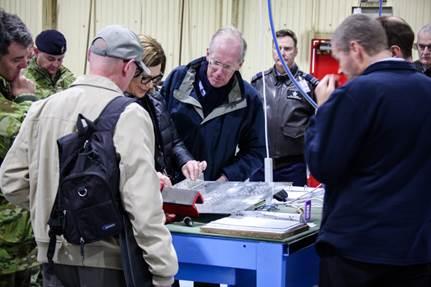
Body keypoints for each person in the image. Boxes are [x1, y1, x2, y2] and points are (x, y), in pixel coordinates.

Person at [0, 25, 178, 287]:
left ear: (88, 56)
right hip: (106, 262)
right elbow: (143, 204)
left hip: (51, 257)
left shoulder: (41, 108)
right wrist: (164, 269)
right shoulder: (129, 115)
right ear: (129, 67)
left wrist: (58, 209)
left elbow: (11, 181)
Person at [305, 14, 431, 287]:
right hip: (417, 252)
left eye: (341, 59)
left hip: (358, 254)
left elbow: (323, 165)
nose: (341, 69)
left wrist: (324, 110)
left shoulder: (355, 95)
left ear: (356, 49)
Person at [161, 26, 265, 183]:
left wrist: (227, 177)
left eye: (227, 67)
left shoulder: (248, 99)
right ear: (207, 53)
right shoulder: (178, 79)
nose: (218, 72)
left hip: (215, 189)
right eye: (216, 63)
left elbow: (256, 151)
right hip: (170, 184)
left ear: (240, 64)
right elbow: (158, 129)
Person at [125, 34, 206, 186]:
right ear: (129, 69)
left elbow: (173, 141)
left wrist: (186, 162)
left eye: (155, 79)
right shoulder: (114, 107)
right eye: (145, 78)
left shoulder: (155, 98)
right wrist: (150, 176)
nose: (150, 86)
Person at [0, 8, 40, 287]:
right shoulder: (19, 92)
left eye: (26, 58)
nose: (24, 66)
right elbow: (25, 140)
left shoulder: (8, 85)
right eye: (16, 60)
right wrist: (28, 101)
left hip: (22, 236)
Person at [250, 29, 318, 185]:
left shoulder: (308, 85)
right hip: (260, 164)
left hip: (293, 167)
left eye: (287, 49)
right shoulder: (258, 82)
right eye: (278, 48)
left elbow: (319, 124)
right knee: (254, 207)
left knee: (291, 208)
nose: (282, 53)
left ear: (296, 52)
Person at [24, 29, 75, 99]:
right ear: (36, 52)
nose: (56, 64)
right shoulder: (24, 78)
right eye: (50, 59)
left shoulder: (65, 75)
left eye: (60, 59)